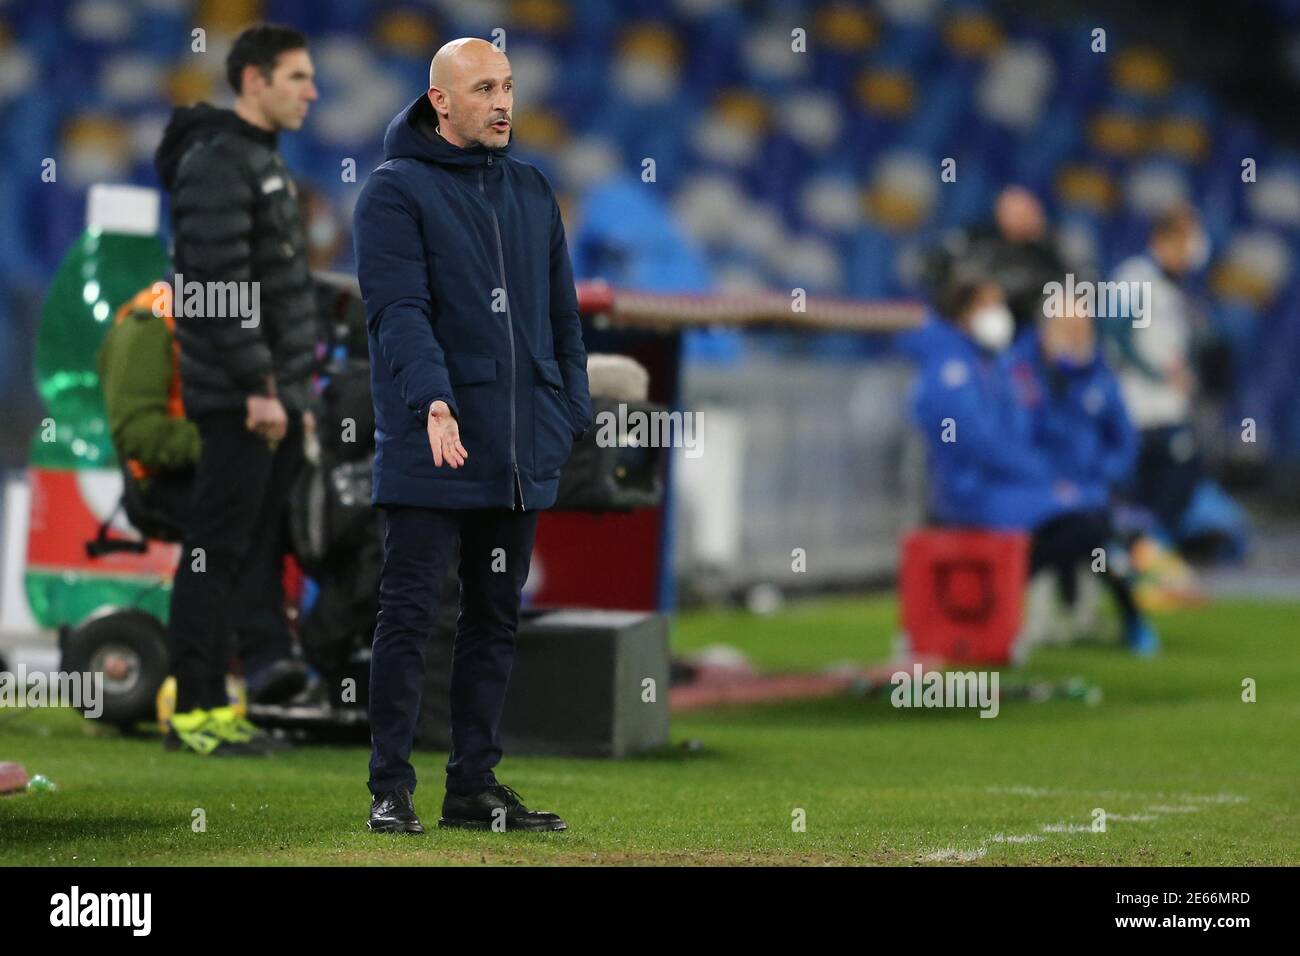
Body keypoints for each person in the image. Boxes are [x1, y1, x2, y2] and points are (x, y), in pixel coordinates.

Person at [353, 38, 592, 834]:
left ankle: (473, 786)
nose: (503, 102)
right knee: (411, 614)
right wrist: (433, 399)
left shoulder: (530, 189)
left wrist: (569, 410)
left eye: (510, 87)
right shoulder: (393, 192)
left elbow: (563, 320)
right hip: (435, 437)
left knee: (494, 618)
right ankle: (390, 787)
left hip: (518, 446)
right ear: (440, 100)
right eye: (484, 87)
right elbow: (398, 311)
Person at [153, 23, 319, 755]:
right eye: (296, 78)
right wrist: (258, 384)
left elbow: (276, 288)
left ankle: (217, 706)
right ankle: (191, 713)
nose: (312, 92)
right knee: (213, 551)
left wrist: (296, 397)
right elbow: (214, 287)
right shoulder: (221, 161)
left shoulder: (257, 160)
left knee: (239, 556)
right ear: (254, 81)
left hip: (273, 396)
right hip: (240, 397)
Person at [911, 273, 1157, 656]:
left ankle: (1018, 609)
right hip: (982, 494)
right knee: (1083, 528)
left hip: (1039, 488)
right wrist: (1046, 481)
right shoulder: (969, 369)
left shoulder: (994, 365)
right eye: (990, 304)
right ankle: (997, 610)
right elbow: (982, 443)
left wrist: (1089, 478)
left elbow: (1120, 442)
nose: (1000, 314)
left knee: (1087, 526)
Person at [97, 288, 312, 705]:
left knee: (298, 517)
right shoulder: (149, 322)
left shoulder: (236, 321)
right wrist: (226, 446)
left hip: (228, 468)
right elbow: (136, 432)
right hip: (164, 480)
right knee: (241, 530)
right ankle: (260, 661)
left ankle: (295, 657)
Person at [1005, 290, 1158, 655]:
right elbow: (1015, 439)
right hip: (1034, 496)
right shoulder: (1019, 375)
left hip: (1090, 494)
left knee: (1090, 534)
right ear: (1046, 329)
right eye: (1067, 326)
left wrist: (1101, 476)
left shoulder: (1102, 380)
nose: (1076, 334)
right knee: (1083, 536)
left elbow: (1124, 443)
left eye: (1082, 326)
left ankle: (1035, 608)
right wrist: (1046, 483)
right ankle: (1127, 614)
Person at [1105, 204, 1208, 536]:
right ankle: (1138, 552)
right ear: (1161, 240)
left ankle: (1154, 551)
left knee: (1178, 479)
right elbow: (1112, 337)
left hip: (1167, 408)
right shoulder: (1133, 277)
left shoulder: (1173, 287)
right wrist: (1158, 374)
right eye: (1184, 238)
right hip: (1137, 409)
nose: (1192, 247)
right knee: (1142, 489)